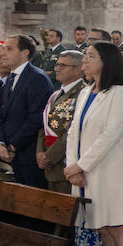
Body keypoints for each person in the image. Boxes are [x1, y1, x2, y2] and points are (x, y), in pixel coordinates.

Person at [64, 42, 123, 246]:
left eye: (90, 56)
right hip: (84, 174)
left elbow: (111, 135)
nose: (84, 60)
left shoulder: (121, 94)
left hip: (109, 173)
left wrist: (80, 166)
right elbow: (74, 132)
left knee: (118, 228)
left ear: (106, 62)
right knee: (103, 229)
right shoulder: (86, 93)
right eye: (84, 55)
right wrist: (72, 166)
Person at [0, 34, 55, 188]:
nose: (3, 53)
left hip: (28, 154)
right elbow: (3, 115)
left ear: (25, 53)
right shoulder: (11, 77)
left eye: (9, 49)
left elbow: (36, 118)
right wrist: (0, 142)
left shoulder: (37, 78)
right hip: (10, 153)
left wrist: (13, 146)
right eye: (3, 49)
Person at [36, 50, 87, 193]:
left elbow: (74, 130)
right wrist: (40, 151)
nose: (56, 68)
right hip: (48, 162)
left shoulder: (83, 93)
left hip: (65, 162)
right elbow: (44, 124)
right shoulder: (56, 94)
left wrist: (50, 156)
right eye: (57, 64)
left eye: (62, 65)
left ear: (78, 69)